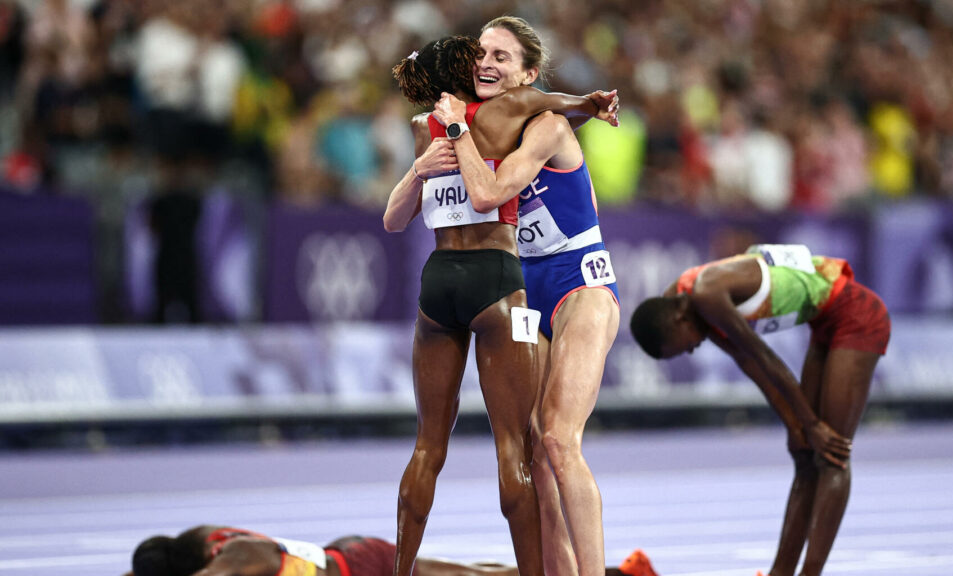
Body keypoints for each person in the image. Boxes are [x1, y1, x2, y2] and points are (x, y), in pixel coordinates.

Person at [383, 34, 618, 576]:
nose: (486, 64)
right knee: (530, 450)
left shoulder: (516, 124)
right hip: (513, 285)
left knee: (556, 439)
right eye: (480, 56)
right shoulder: (483, 119)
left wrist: (585, 105)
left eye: (499, 57)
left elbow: (485, 184)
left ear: (529, 74)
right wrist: (585, 102)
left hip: (573, 279)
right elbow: (531, 115)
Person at [629, 244, 890, 576]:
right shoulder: (680, 297)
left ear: (678, 319)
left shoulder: (707, 294)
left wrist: (810, 424)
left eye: (680, 349)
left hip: (858, 315)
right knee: (804, 454)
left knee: (832, 453)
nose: (691, 351)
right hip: (824, 323)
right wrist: (796, 426)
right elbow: (748, 362)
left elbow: (764, 358)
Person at [124, 524, 660, 576]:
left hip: (363, 566)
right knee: (487, 571)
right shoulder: (209, 541)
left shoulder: (234, 560)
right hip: (346, 554)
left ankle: (622, 572)